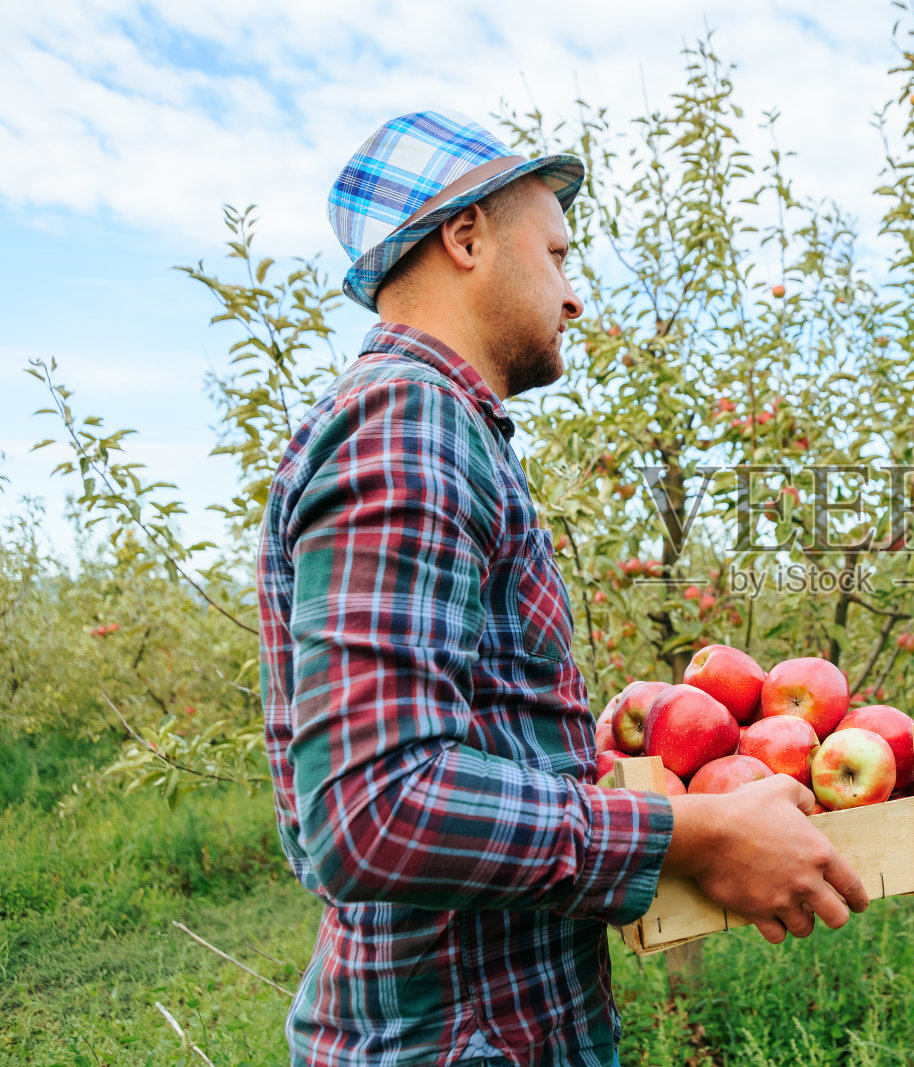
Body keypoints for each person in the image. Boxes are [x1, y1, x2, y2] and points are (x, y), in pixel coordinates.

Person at [258, 110, 869, 1067]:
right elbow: (370, 809)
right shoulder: (406, 426)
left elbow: (414, 762)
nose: (574, 296)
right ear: (465, 237)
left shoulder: (430, 429)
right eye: (555, 251)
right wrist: (687, 831)